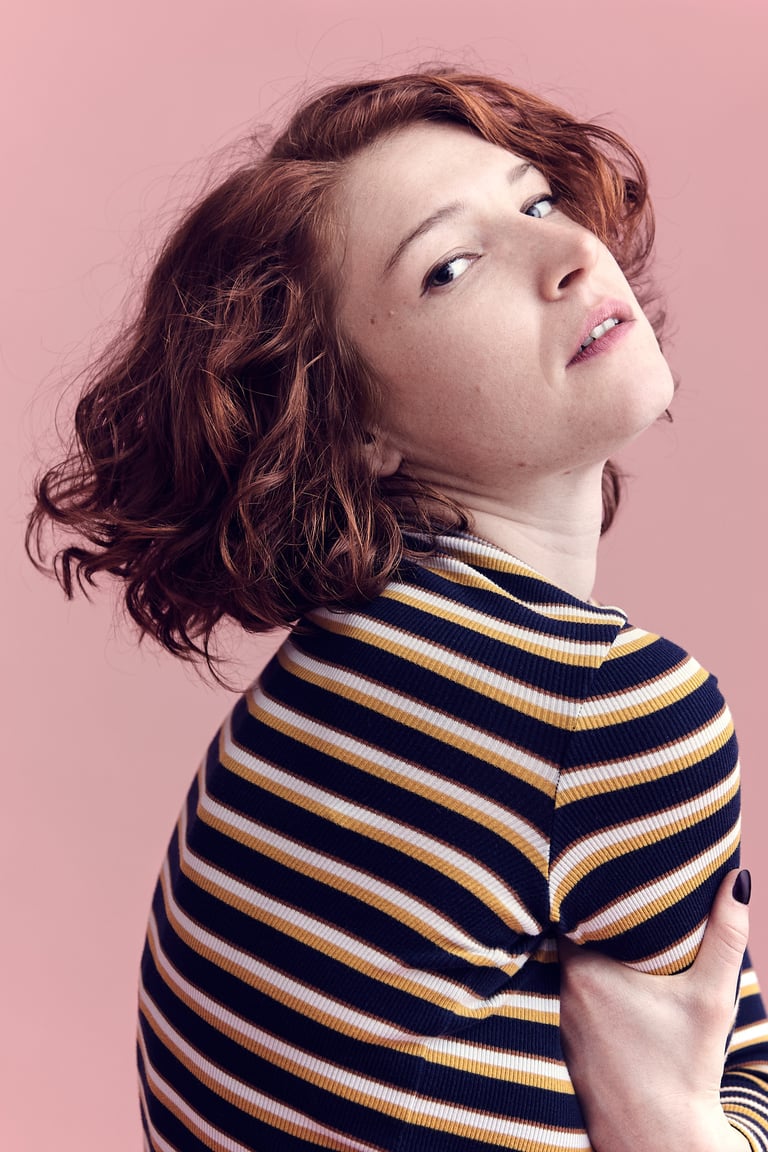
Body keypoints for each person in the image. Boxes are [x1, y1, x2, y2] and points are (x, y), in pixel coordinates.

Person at [26, 70, 768, 1151]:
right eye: (450, 267)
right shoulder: (603, 710)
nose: (569, 254)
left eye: (537, 202)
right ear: (354, 424)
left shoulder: (339, 676)